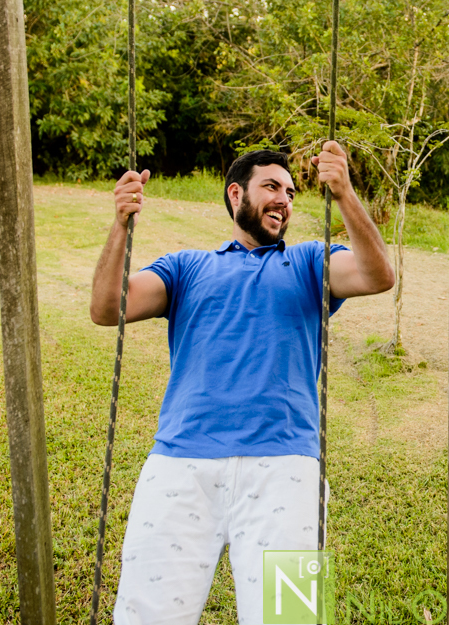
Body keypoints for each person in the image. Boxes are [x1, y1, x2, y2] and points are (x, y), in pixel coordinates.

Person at [90, 143, 395, 625]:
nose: (285, 200)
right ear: (236, 194)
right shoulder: (185, 267)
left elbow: (379, 276)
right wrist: (120, 225)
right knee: (145, 617)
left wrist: (345, 194)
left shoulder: (311, 263)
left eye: (292, 192)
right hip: (180, 464)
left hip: (287, 469)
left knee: (291, 618)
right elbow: (109, 309)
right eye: (272, 187)